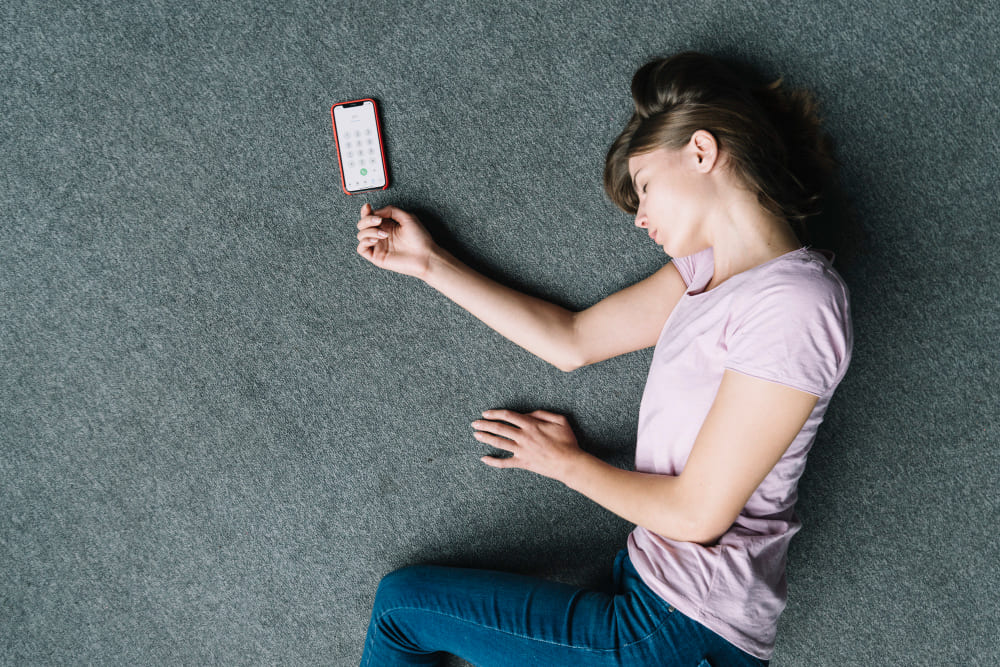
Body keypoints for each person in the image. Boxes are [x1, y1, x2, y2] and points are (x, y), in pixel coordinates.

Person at [354, 51, 853, 667]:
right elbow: (572, 340)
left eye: (644, 187)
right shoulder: (705, 277)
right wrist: (430, 263)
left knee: (404, 610)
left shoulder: (798, 302)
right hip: (657, 598)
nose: (640, 217)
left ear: (701, 152)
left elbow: (698, 513)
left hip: (685, 626)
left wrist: (565, 464)